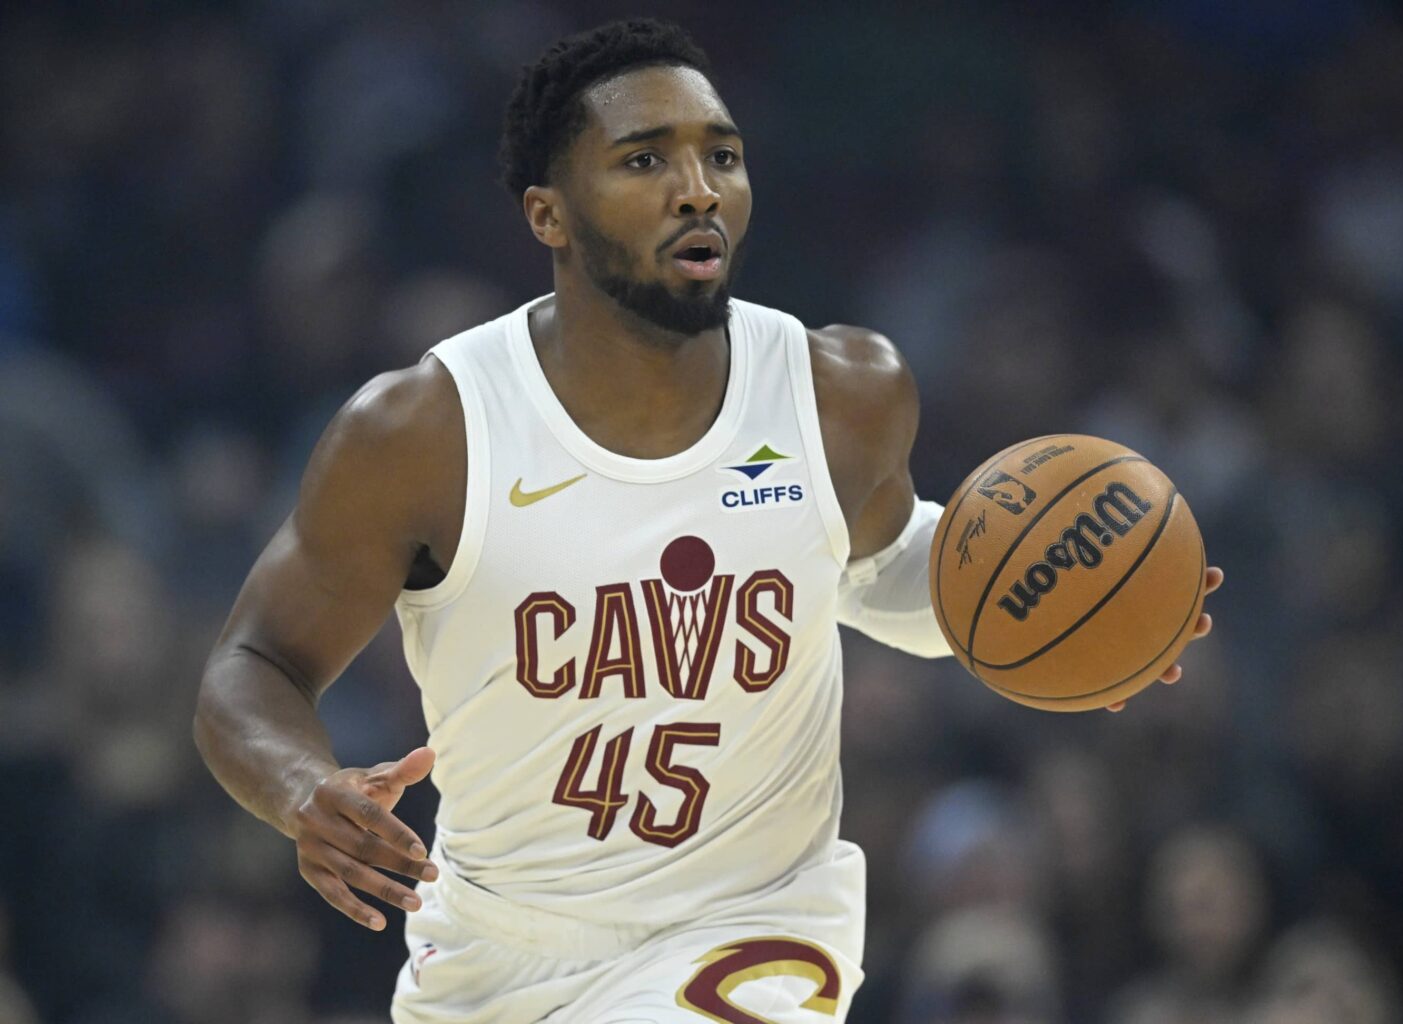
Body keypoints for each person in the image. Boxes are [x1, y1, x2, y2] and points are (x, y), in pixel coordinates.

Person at [193, 18, 1222, 1024]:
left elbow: (875, 569)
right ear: (549, 215)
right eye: (645, 160)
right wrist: (301, 789)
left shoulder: (843, 390)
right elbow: (253, 662)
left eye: (721, 156)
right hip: (494, 956)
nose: (698, 188)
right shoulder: (426, 429)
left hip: (756, 927)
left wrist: (1090, 605)